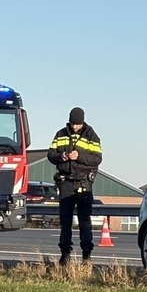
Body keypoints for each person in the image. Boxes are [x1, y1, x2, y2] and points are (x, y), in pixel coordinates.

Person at [47, 107, 102, 265]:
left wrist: (79, 156)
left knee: (84, 221)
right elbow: (50, 154)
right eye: (73, 124)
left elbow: (97, 158)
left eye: (78, 124)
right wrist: (61, 156)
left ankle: (86, 255)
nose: (75, 127)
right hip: (65, 182)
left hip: (83, 182)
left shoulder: (91, 136)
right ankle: (65, 255)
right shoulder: (61, 134)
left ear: (83, 122)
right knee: (65, 221)